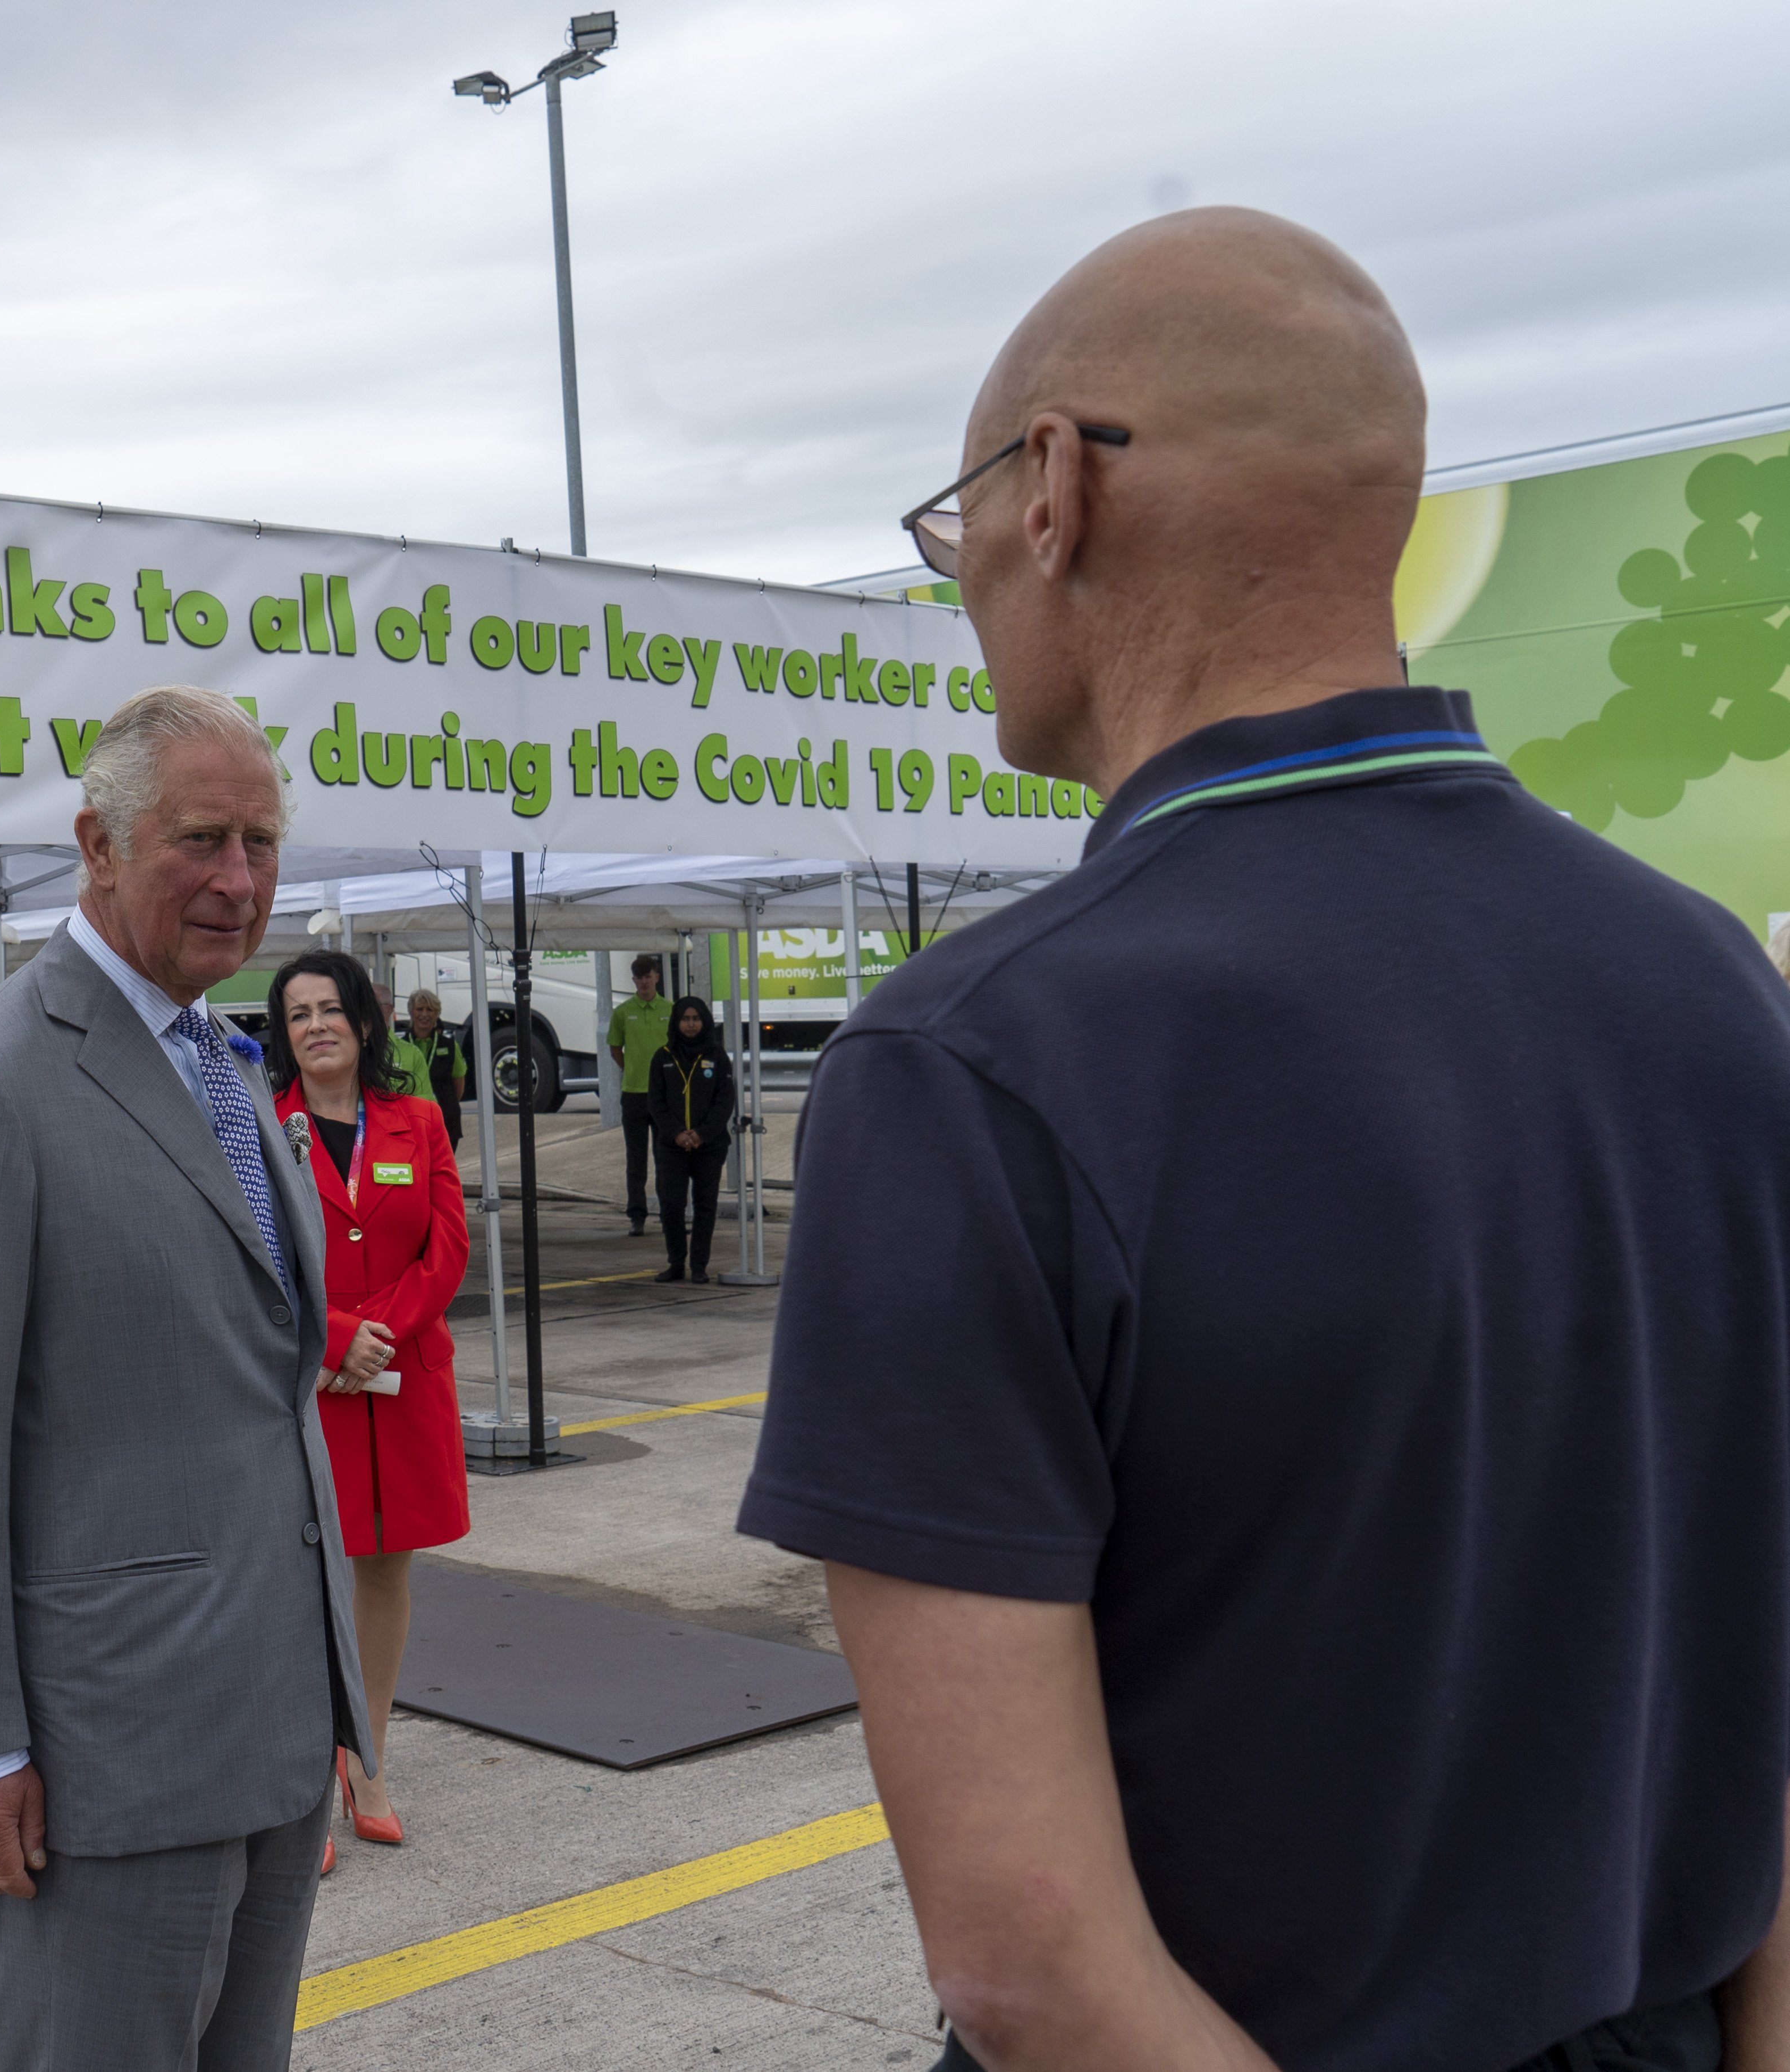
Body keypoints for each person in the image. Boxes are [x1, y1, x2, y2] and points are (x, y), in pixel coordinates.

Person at [737, 208, 1790, 2072]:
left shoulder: (972, 1064)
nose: (958, 569)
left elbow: (1028, 1962)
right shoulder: (1711, 991)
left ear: (1051, 485)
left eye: (952, 513)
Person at [0, 684, 368, 2072]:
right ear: (95, 840)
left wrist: (317, 1692)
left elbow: (257, 1390)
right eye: (200, 838)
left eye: (260, 843)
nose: (238, 879)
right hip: (110, 1754)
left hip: (266, 1727)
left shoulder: (225, 1061)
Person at [264, 948, 467, 1863]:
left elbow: (447, 1248)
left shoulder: (417, 1120)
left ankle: (368, 1760)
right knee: (307, 1583)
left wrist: (375, 1332)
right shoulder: (264, 1129)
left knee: (386, 1572)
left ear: (361, 1019)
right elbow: (257, 1259)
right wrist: (335, 1337)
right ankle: (311, 1775)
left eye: (327, 1008)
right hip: (310, 1385)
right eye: (296, 1014)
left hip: (403, 1380)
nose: (314, 1026)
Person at [645, 996, 734, 1285]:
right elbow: (656, 1103)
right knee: (671, 1204)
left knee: (705, 1205)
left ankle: (699, 1266)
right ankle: (676, 1263)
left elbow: (725, 1101)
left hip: (709, 1146)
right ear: (677, 1022)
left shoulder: (718, 1057)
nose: (691, 1024)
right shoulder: (663, 1057)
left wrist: (701, 1134)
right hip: (672, 1146)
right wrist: (677, 1134)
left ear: (704, 1021)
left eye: (696, 1019)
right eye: (686, 1019)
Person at [601, 953, 671, 1237]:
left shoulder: (671, 1009)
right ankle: (637, 1215)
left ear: (657, 977)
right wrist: (630, 1068)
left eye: (648, 976)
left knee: (666, 1157)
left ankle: (670, 1213)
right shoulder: (623, 1012)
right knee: (637, 1158)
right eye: (639, 978)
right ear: (633, 981)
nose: (644, 982)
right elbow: (615, 1048)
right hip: (633, 1094)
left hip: (664, 1095)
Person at [397, 989, 468, 1146]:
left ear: (437, 1014)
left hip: (445, 1121)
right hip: (410, 1121)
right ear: (411, 1012)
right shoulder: (400, 1047)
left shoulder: (450, 1046)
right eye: (420, 1009)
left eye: (430, 1010)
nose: (425, 1014)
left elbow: (459, 1086)